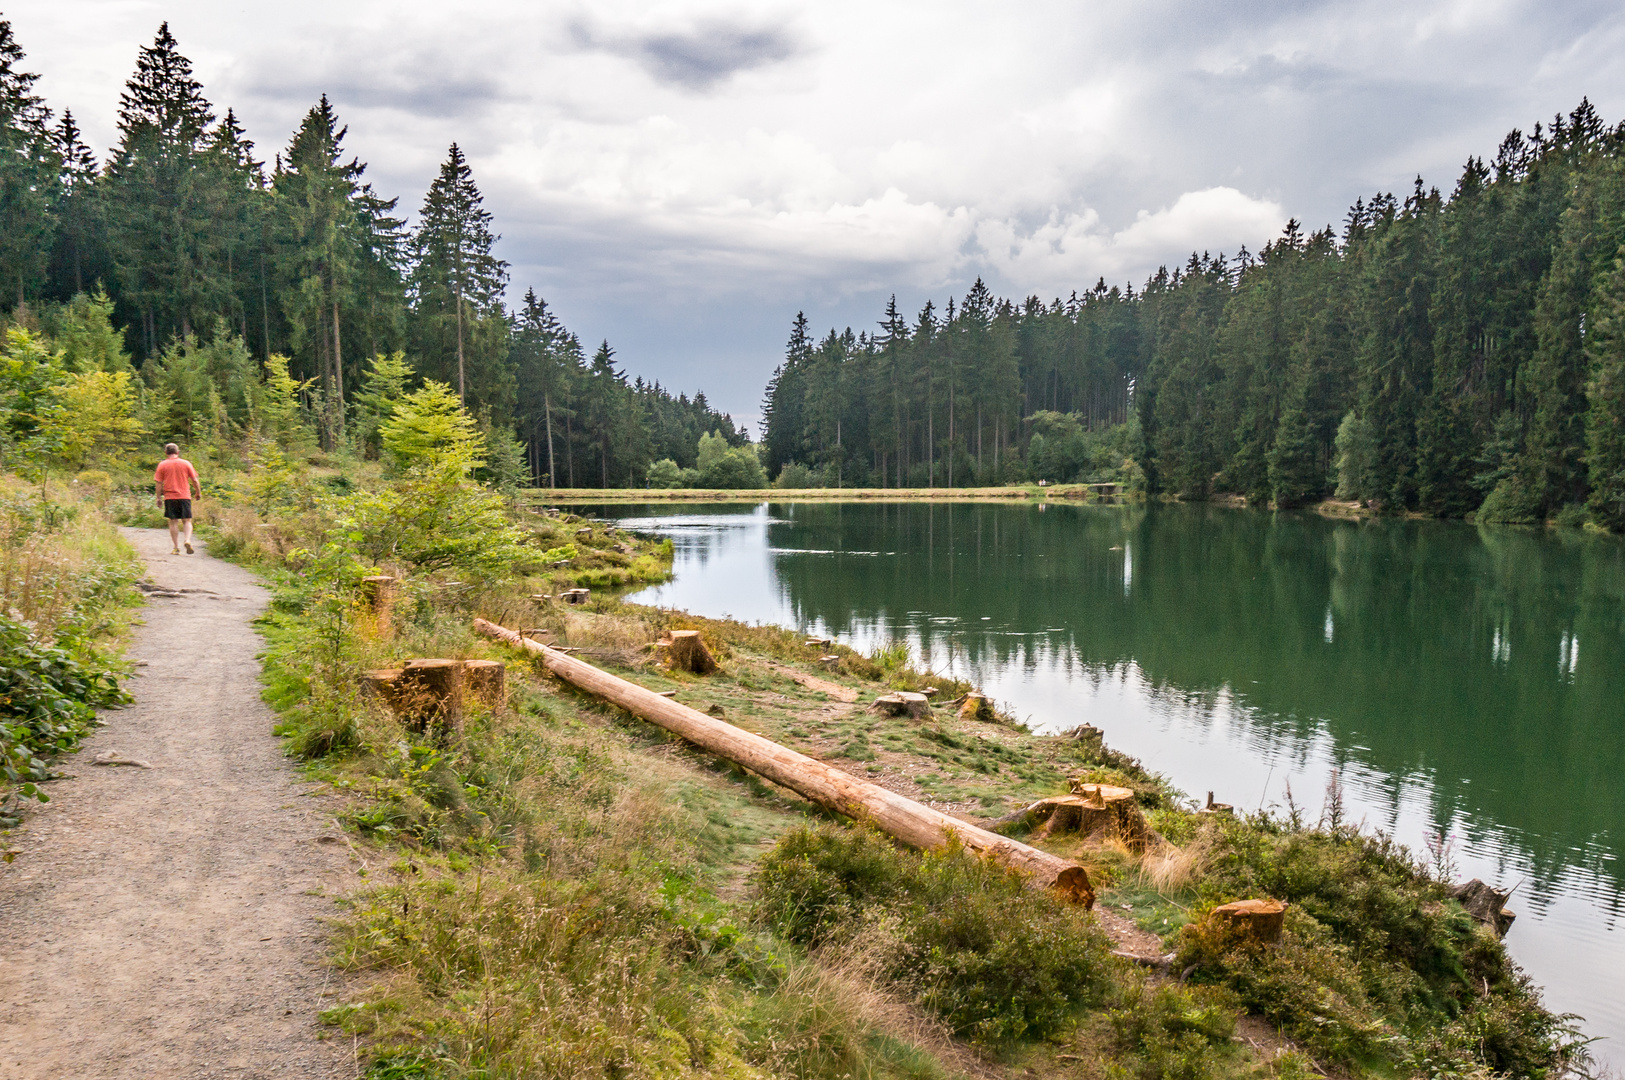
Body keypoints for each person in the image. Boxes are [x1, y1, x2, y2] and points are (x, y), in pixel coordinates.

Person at [154, 443, 202, 555]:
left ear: (166, 452)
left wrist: (158, 497)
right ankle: (187, 540)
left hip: (170, 497)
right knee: (187, 520)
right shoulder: (186, 463)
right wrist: (198, 492)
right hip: (184, 496)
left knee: (173, 521)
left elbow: (159, 483)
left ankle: (176, 548)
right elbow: (194, 480)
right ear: (178, 452)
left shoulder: (162, 465)